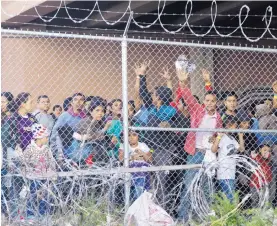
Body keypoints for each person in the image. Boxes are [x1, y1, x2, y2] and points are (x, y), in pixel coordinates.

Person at [176, 68, 222, 222]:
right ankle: (183, 218)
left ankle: (204, 218)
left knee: (207, 188)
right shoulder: (197, 110)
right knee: (189, 186)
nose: (209, 103)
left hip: (209, 155)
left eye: (212, 101)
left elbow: (218, 133)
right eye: (207, 100)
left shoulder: (218, 117)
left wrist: (214, 139)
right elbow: (188, 98)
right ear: (203, 102)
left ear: (216, 103)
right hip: (195, 153)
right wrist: (183, 82)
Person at [21, 123, 56, 222]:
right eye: (46, 137)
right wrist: (28, 171)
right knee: (32, 196)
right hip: (33, 177)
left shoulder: (46, 149)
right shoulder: (30, 148)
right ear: (40, 137)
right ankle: (30, 215)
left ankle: (42, 214)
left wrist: (52, 172)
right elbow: (24, 161)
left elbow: (51, 161)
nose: (47, 139)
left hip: (45, 177)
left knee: (44, 196)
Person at [65, 97, 112, 164]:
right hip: (81, 154)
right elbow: (91, 138)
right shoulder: (86, 121)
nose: (100, 113)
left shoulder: (99, 122)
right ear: (90, 111)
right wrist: (105, 129)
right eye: (97, 110)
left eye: (102, 111)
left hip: (93, 154)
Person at [211, 115, 245, 201]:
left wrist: (240, 136)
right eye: (235, 126)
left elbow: (241, 149)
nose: (236, 127)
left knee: (229, 197)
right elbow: (213, 149)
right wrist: (219, 136)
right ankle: (228, 214)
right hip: (224, 173)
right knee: (229, 198)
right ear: (229, 125)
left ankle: (228, 213)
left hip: (231, 173)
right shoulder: (223, 137)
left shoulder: (232, 139)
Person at [50, 93, 86, 159]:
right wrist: (54, 150)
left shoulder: (85, 117)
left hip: (81, 149)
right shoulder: (65, 116)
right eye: (75, 100)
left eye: (81, 100)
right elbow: (55, 132)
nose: (78, 102)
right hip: (65, 149)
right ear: (71, 103)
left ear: (84, 103)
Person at [119, 130, 152, 201]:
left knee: (140, 169)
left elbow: (150, 160)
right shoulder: (124, 145)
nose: (132, 137)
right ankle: (137, 200)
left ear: (138, 136)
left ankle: (138, 199)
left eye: (134, 135)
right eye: (129, 135)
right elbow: (120, 159)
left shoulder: (143, 145)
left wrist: (142, 153)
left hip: (141, 171)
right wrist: (132, 157)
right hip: (129, 170)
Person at [250, 143, 273, 208]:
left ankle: (262, 215)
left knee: (264, 200)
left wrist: (269, 155)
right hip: (255, 183)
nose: (266, 152)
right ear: (260, 150)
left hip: (265, 183)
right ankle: (255, 215)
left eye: (268, 151)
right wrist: (253, 156)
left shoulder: (269, 158)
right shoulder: (255, 156)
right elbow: (251, 162)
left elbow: (272, 160)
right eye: (265, 150)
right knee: (254, 200)